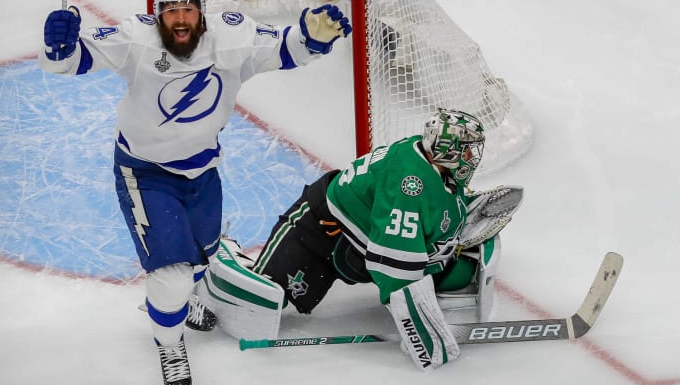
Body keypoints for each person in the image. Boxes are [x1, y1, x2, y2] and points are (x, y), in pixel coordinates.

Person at [38, 0, 352, 385]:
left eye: (188, 9)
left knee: (201, 259)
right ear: (158, 13)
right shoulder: (137, 39)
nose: (180, 19)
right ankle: (170, 346)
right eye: (170, 11)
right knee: (171, 277)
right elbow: (70, 59)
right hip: (144, 173)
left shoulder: (231, 37)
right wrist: (59, 43)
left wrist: (312, 37)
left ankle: (182, 302)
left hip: (202, 171)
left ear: (201, 10)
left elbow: (283, 48)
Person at [203, 108, 521, 371]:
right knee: (264, 296)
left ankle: (452, 238)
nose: (471, 157)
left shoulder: (429, 162)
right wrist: (422, 335)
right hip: (318, 231)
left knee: (450, 274)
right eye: (466, 149)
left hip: (358, 239)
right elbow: (393, 268)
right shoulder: (411, 183)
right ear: (447, 150)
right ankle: (209, 284)